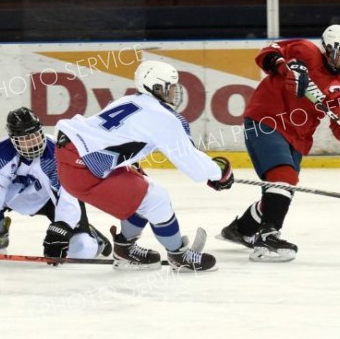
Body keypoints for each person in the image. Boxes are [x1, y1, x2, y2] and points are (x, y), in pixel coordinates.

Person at [54, 60, 233, 271]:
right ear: (156, 88)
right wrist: (218, 172)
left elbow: (112, 136)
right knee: (156, 198)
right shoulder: (166, 118)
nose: (175, 92)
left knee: (141, 193)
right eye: (171, 86)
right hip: (84, 168)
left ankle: (124, 249)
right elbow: (191, 162)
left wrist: (131, 164)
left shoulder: (129, 100)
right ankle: (179, 256)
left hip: (73, 158)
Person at [219, 24, 340, 262]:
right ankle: (268, 237)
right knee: (284, 177)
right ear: (330, 48)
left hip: (298, 136)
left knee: (281, 188)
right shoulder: (304, 51)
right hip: (266, 120)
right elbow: (266, 54)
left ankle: (241, 230)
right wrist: (285, 66)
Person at [0, 107, 112, 267]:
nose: (33, 143)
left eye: (35, 136)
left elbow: (67, 193)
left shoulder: (56, 152)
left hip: (48, 200)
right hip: (13, 199)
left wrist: (62, 228)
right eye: (25, 139)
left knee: (82, 249)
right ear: (13, 139)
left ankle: (93, 238)